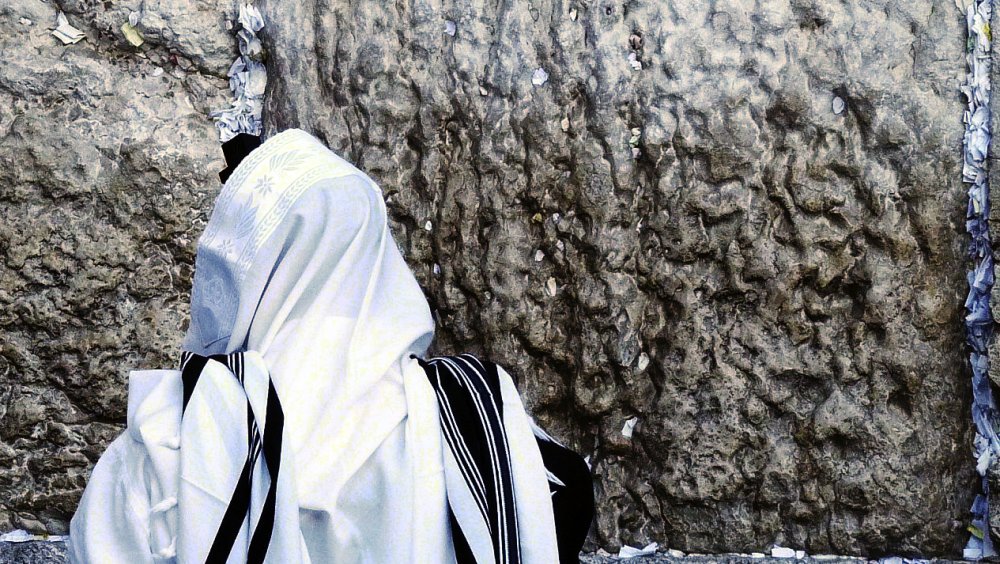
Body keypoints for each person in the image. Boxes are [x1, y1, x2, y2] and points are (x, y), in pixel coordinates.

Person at [68, 128, 593, 563]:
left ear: (239, 272)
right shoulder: (473, 426)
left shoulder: (172, 439)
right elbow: (561, 499)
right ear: (377, 250)